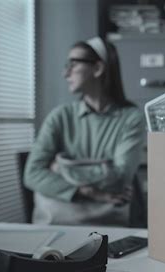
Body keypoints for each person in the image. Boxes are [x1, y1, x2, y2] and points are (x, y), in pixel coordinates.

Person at [24, 37, 145, 226]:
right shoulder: (60, 116)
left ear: (97, 69)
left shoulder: (131, 117)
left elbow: (120, 178)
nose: (65, 73)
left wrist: (61, 167)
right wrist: (91, 192)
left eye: (73, 64)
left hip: (110, 228)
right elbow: (32, 174)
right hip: (54, 228)